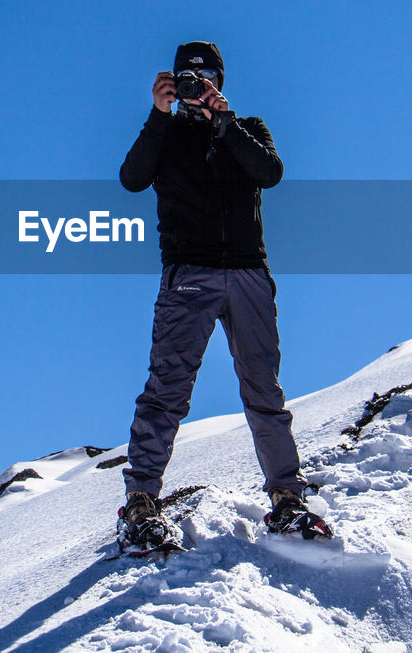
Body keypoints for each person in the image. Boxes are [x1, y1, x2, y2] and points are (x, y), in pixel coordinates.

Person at [115, 41, 330, 553]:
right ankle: (141, 502)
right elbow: (132, 178)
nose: (196, 83)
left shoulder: (247, 127)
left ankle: (286, 499)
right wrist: (158, 114)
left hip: (249, 274)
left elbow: (269, 174)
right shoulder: (164, 131)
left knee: (264, 391)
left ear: (220, 80)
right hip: (189, 272)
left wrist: (224, 122)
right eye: (185, 76)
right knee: (167, 389)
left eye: (205, 75)